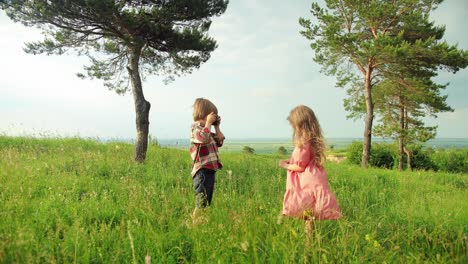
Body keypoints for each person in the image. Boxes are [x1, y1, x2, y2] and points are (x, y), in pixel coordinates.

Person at [278, 105, 341, 246]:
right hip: (314, 177)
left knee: (308, 211)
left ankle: (308, 245)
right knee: (310, 213)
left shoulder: (303, 142)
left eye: (293, 125)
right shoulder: (311, 139)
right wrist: (291, 161)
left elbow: (299, 167)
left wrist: (285, 165)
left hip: (307, 180)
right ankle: (309, 243)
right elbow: (305, 160)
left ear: (300, 123)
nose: (293, 128)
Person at [190, 98, 225, 222]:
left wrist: (217, 127)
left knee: (206, 203)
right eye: (211, 115)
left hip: (210, 170)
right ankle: (194, 225)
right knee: (200, 202)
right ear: (204, 114)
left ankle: (201, 224)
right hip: (201, 171)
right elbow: (203, 138)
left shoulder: (208, 129)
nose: (213, 118)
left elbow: (220, 141)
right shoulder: (196, 129)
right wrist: (209, 124)